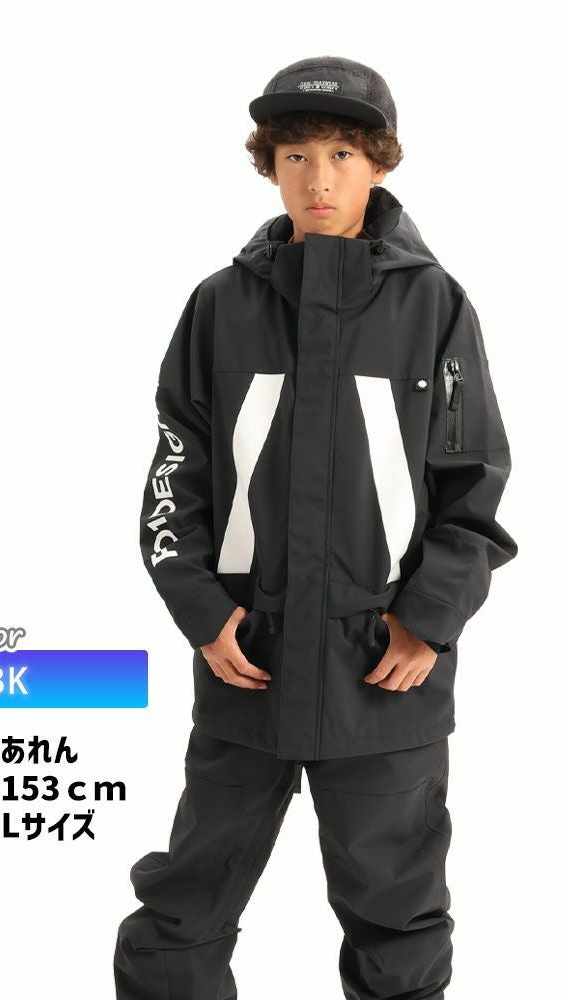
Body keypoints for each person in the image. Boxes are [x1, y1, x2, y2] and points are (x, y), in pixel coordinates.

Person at [114, 55, 518, 1000]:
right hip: (245, 662)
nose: (319, 179)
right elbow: (175, 477)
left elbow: (474, 483)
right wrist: (203, 613)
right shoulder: (220, 305)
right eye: (295, 156)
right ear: (269, 167)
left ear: (379, 163)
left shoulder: (434, 305)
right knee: (187, 901)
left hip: (383, 672)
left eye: (341, 154)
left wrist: (429, 623)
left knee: (396, 910)